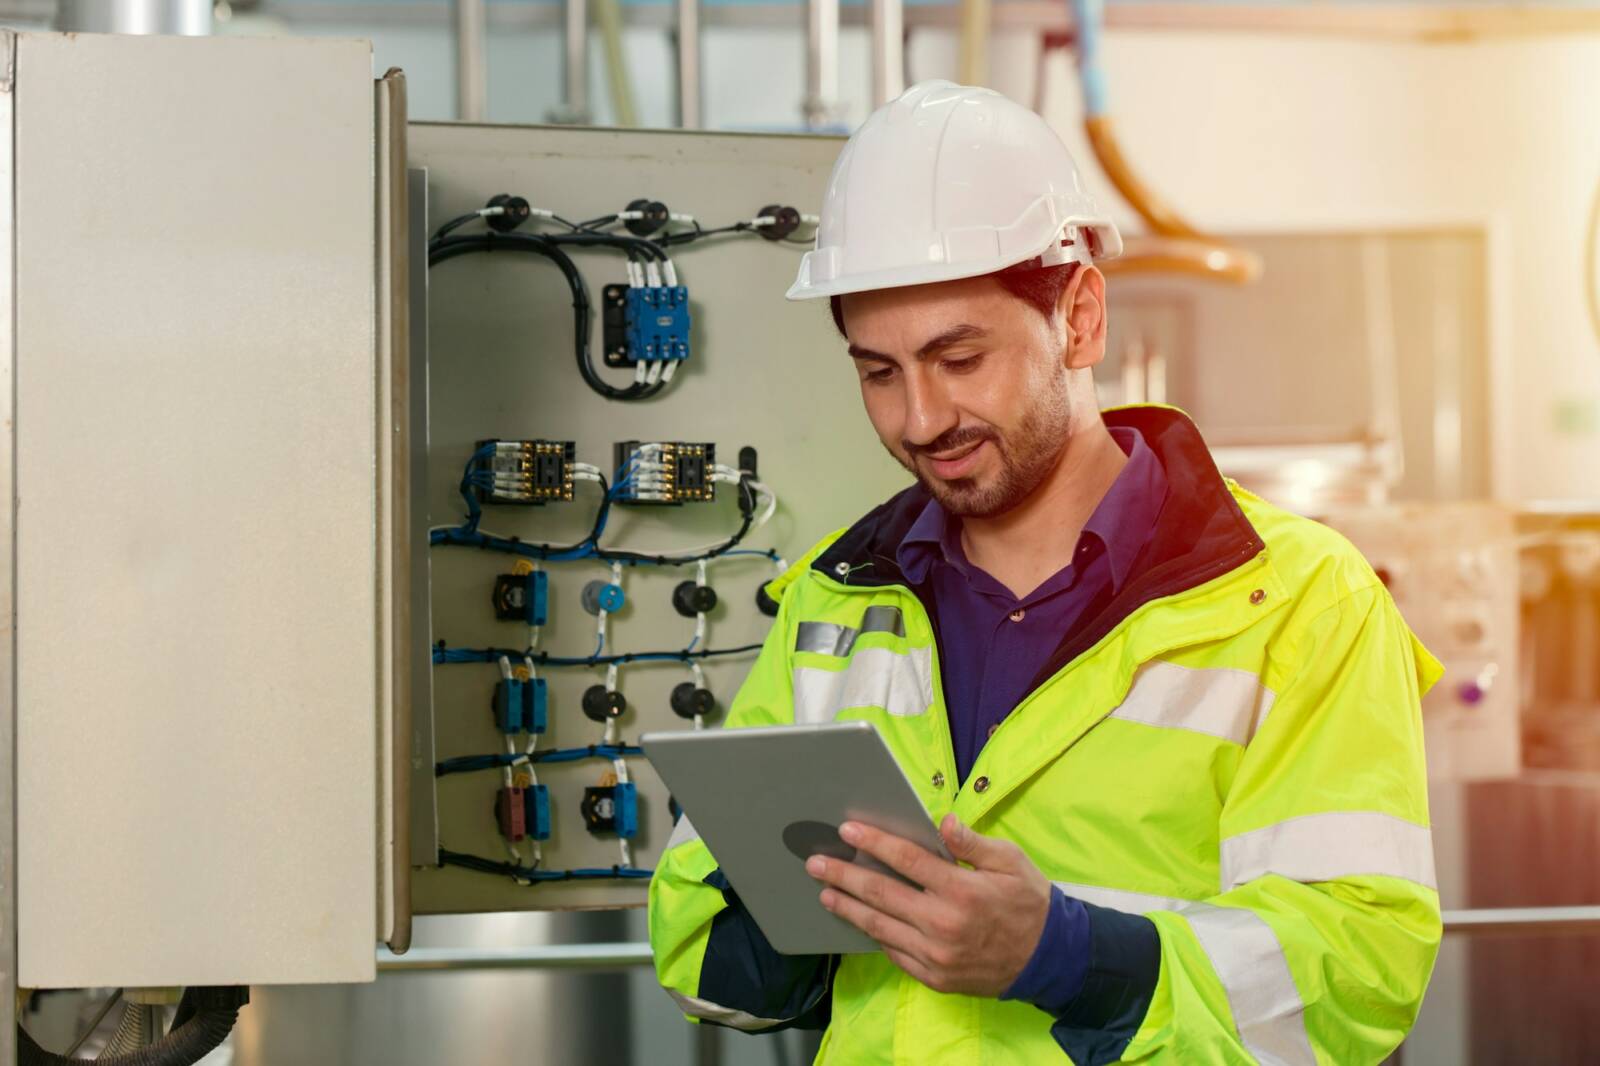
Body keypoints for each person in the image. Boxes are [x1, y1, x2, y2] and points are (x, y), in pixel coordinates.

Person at [648, 80, 1442, 1065]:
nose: (919, 419)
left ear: (1078, 319)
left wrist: (1063, 955)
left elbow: (1360, 969)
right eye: (878, 371)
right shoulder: (835, 598)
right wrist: (782, 935)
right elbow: (692, 926)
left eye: (958, 357)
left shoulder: (1301, 604)